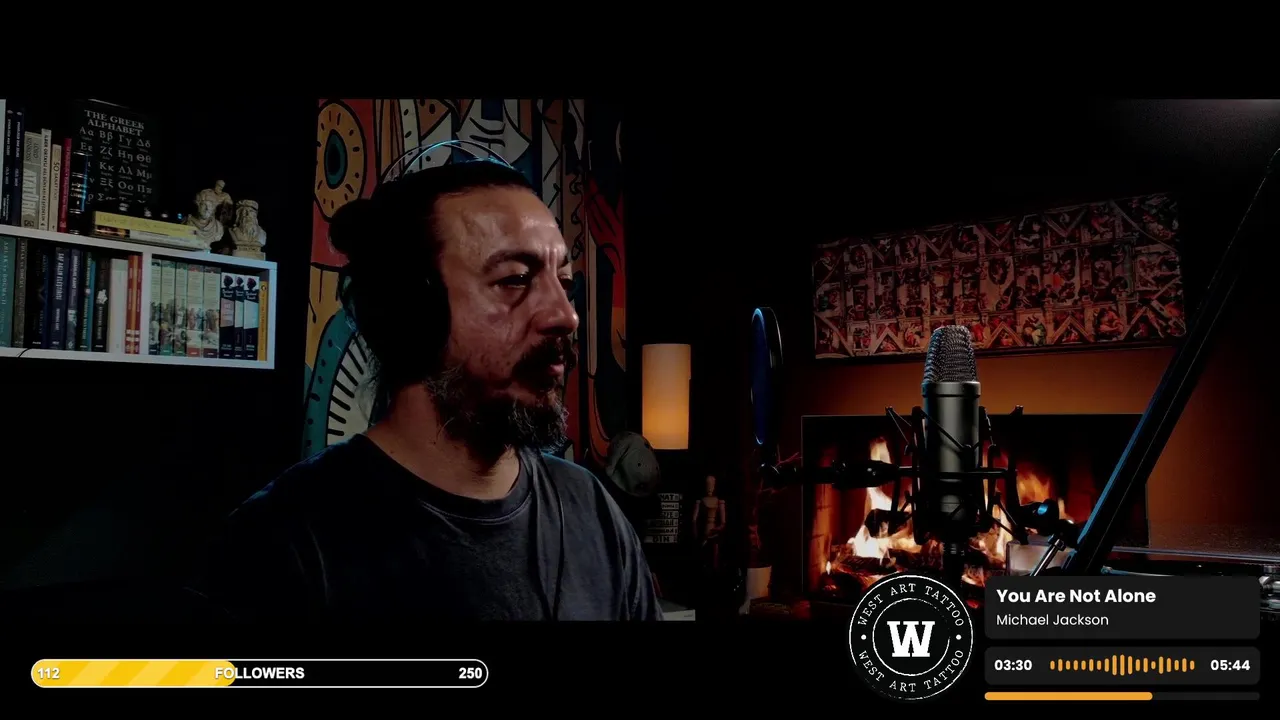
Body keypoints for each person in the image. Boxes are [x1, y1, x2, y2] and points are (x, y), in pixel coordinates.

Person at [188, 159, 662, 621]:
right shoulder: (281, 544)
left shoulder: (590, 509)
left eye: (564, 283)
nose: (566, 316)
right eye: (515, 280)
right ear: (412, 313)